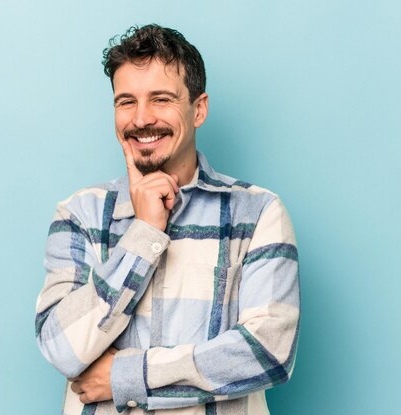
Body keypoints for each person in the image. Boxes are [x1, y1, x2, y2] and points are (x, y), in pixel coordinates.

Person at [35, 24, 300, 415]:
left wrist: (124, 376)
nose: (141, 119)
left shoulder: (258, 212)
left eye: (160, 99)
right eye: (126, 101)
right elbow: (61, 347)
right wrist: (142, 236)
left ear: (199, 109)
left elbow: (267, 353)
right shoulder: (79, 214)